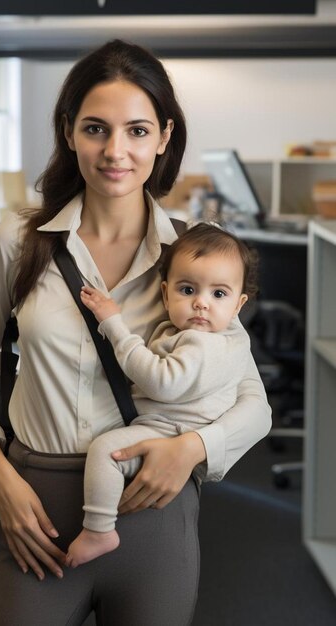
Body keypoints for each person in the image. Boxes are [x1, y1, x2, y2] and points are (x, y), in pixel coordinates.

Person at [0, 39, 271, 625]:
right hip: (34, 513)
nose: (116, 151)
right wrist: (1, 478)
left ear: (165, 137)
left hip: (154, 510)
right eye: (96, 128)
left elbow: (254, 402)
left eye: (137, 131)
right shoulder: (16, 244)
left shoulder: (195, 254)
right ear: (69, 131)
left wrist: (192, 449)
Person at [66, 222, 259, 567]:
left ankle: (98, 530)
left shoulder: (202, 342)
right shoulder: (221, 337)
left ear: (238, 305)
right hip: (175, 427)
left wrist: (114, 325)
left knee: (106, 451)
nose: (201, 304)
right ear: (165, 293)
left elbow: (161, 382)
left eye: (218, 294)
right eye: (188, 290)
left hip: (171, 429)